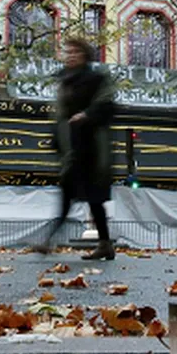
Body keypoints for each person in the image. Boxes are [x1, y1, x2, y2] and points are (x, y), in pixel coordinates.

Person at [37, 37, 117, 260]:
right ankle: (51, 240)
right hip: (72, 146)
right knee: (68, 195)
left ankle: (100, 244)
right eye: (67, 51)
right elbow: (59, 113)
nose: (70, 55)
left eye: (75, 51)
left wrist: (88, 115)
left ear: (84, 55)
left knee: (94, 199)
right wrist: (56, 138)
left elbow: (108, 104)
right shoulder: (64, 80)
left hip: (93, 146)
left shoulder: (97, 78)